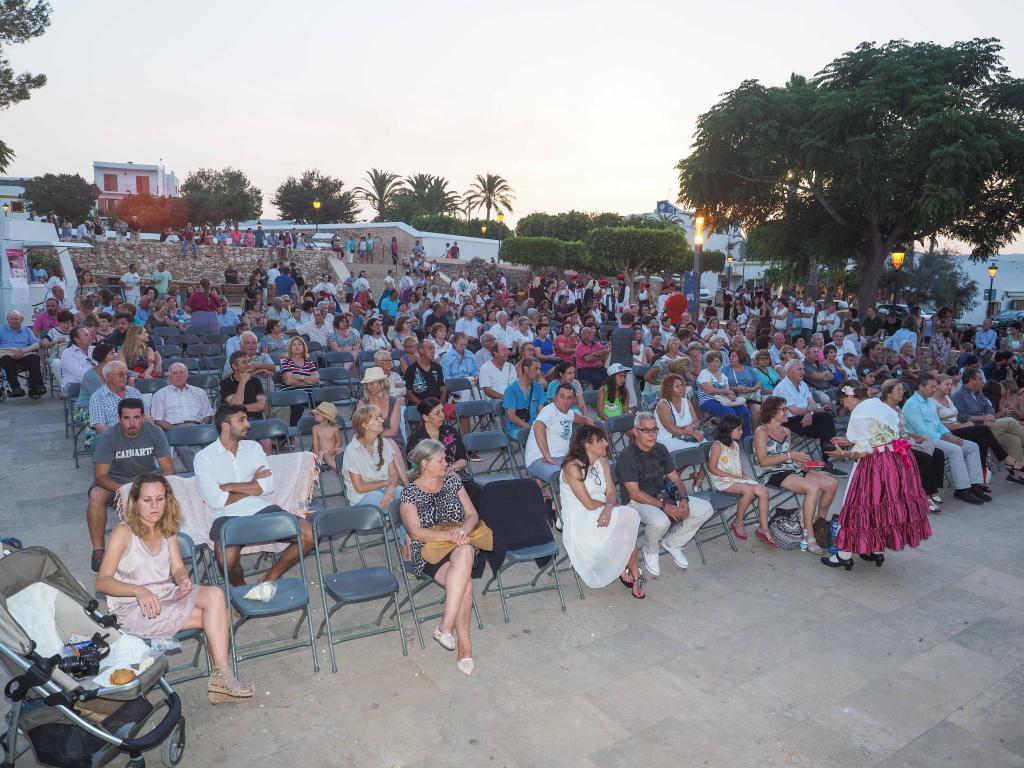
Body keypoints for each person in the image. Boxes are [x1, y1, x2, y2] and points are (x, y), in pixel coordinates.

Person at [96, 474, 254, 704]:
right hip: (134, 608)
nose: (154, 506)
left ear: (167, 500)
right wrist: (138, 590)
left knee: (216, 595)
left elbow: (177, 567)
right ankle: (222, 680)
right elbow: (102, 582)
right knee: (220, 617)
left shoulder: (166, 528)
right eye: (147, 500)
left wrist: (182, 579)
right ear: (135, 502)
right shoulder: (123, 533)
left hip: (166, 594)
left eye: (160, 499)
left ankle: (221, 678)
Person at [194, 404, 315, 587]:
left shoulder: (254, 448)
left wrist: (229, 487)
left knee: (308, 534)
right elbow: (215, 500)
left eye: (247, 419)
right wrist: (252, 485)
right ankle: (242, 591)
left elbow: (267, 486)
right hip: (226, 515)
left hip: (260, 508)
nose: (248, 424)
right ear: (225, 426)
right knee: (226, 558)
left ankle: (269, 579)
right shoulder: (204, 457)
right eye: (241, 420)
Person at [821, 383, 933, 571]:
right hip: (894, 461)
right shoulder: (880, 405)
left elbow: (863, 451)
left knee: (859, 505)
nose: (845, 406)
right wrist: (849, 441)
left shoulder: (859, 414)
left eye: (844, 402)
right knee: (881, 505)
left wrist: (842, 454)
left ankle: (844, 556)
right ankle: (875, 549)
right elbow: (879, 436)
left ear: (850, 397)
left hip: (875, 465)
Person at [399, 440, 479, 676]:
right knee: (464, 584)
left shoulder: (453, 481)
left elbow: (472, 514)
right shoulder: (410, 493)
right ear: (424, 463)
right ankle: (464, 645)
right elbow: (416, 532)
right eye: (441, 460)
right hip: (428, 551)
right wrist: (450, 536)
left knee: (465, 551)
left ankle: (446, 626)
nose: (447, 463)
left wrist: (463, 530)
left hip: (458, 544)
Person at [616, 412, 714, 575]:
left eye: (654, 429)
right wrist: (665, 507)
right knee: (661, 521)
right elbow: (634, 493)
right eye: (646, 430)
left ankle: (673, 543)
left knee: (705, 509)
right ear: (635, 432)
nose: (652, 434)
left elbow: (675, 478)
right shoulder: (627, 456)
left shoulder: (660, 449)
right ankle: (650, 550)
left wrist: (683, 498)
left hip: (663, 494)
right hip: (637, 502)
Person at [87, 398, 174, 572]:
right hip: (115, 482)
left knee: (174, 489)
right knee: (96, 495)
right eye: (127, 418)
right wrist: (126, 490)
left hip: (146, 480)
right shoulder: (108, 437)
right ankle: (98, 551)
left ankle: (167, 543)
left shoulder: (155, 432)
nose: (132, 423)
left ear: (143, 417)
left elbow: (168, 469)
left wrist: (148, 488)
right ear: (119, 419)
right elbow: (100, 476)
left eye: (136, 417)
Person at [559, 424, 643, 597]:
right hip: (581, 518)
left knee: (627, 525)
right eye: (601, 441)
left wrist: (608, 508)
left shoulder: (602, 462)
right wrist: (608, 508)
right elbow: (588, 504)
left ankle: (631, 569)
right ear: (587, 445)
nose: (606, 443)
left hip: (604, 510)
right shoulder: (572, 467)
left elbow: (611, 494)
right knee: (628, 520)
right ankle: (630, 570)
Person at [751, 396, 839, 551]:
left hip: (789, 468)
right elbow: (763, 461)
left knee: (832, 483)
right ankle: (809, 536)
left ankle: (819, 525)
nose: (787, 412)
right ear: (772, 412)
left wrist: (800, 463)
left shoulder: (786, 431)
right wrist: (790, 456)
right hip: (770, 472)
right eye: (783, 409)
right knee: (812, 489)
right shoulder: (761, 432)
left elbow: (788, 456)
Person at [903, 373, 988, 505]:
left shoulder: (930, 401)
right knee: (955, 450)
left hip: (939, 436)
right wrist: (946, 438)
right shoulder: (911, 404)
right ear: (921, 387)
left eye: (935, 386)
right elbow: (921, 430)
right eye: (931, 387)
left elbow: (938, 424)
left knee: (972, 447)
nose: (934, 389)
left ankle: (974, 485)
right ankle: (962, 489)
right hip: (924, 440)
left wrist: (950, 435)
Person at [772, 360, 847, 476]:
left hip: (807, 417)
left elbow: (812, 404)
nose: (803, 372)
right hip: (789, 421)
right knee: (825, 426)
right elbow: (795, 410)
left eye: (803, 369)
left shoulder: (803, 384)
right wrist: (809, 412)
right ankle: (830, 455)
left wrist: (809, 413)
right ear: (789, 371)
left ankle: (828, 458)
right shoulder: (781, 388)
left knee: (825, 419)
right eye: (799, 369)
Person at [707, 414, 770, 541]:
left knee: (763, 491)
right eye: (739, 429)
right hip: (721, 480)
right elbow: (712, 468)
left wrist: (743, 475)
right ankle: (738, 522)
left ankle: (764, 528)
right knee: (748, 490)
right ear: (729, 430)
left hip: (736, 478)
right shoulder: (717, 446)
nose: (742, 431)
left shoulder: (735, 445)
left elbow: (735, 463)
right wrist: (732, 476)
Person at [951, 368, 1024, 475]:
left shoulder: (978, 393)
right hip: (974, 430)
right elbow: (961, 416)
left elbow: (989, 408)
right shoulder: (959, 395)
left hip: (989, 427)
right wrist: (982, 418)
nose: (983, 381)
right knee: (1010, 421)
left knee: (1014, 439)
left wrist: (989, 416)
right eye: (980, 379)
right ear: (971, 381)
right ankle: (1011, 462)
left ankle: (1015, 473)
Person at [523, 382, 592, 486]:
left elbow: (586, 420)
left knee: (588, 473)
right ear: (555, 398)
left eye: (569, 398)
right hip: (539, 459)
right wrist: (547, 456)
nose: (565, 401)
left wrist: (593, 426)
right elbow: (538, 427)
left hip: (561, 459)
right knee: (565, 477)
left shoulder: (569, 413)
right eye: (562, 397)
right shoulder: (549, 410)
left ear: (574, 400)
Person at [150, 361, 215, 471]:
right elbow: (158, 420)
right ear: (169, 376)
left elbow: (207, 414)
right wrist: (176, 430)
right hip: (175, 429)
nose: (178, 375)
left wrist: (202, 426)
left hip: (198, 427)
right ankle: (196, 473)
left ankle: (216, 473)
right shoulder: (160, 394)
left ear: (187, 374)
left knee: (213, 445)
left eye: (181, 372)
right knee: (183, 448)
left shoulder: (199, 392)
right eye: (174, 373)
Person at [342, 405, 405, 507]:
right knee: (393, 506)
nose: (382, 420)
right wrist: (386, 483)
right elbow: (360, 488)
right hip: (362, 495)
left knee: (409, 497)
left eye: (380, 417)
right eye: (376, 419)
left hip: (386, 488)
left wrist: (391, 488)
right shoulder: (352, 451)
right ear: (365, 425)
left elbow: (393, 474)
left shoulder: (384, 443)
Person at [695, 350, 753, 438]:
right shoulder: (704, 373)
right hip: (707, 400)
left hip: (723, 400)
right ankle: (728, 438)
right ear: (707, 363)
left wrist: (731, 396)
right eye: (711, 361)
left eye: (716, 361)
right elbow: (709, 390)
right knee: (729, 412)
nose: (714, 363)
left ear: (721, 363)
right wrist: (726, 392)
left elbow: (727, 392)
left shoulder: (723, 376)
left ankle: (746, 437)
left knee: (744, 411)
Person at [356, 367, 406, 456]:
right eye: (366, 384)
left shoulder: (394, 402)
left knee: (388, 446)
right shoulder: (362, 403)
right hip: (370, 440)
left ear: (381, 383)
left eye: (371, 384)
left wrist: (375, 437)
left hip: (392, 440)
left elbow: (394, 430)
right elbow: (360, 428)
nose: (368, 387)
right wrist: (372, 439)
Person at [0, 310, 46, 398]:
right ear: (7, 320)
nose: (14, 321)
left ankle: (36, 386)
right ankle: (15, 388)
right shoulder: (1, 330)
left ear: (21, 320)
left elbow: (36, 344)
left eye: (16, 319)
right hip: (5, 353)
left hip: (23, 352)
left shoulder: (27, 330)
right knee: (6, 359)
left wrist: (23, 352)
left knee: (34, 357)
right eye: (11, 319)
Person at [89, 361, 145, 433]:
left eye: (126, 374)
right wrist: (119, 438)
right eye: (121, 374)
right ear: (109, 377)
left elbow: (146, 416)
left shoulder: (134, 392)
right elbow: (100, 427)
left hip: (139, 435)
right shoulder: (98, 397)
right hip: (113, 437)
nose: (125, 377)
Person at [655, 374, 703, 449]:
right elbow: (670, 428)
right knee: (693, 449)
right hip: (667, 440)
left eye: (681, 385)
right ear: (669, 389)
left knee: (706, 445)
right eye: (677, 386)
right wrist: (691, 432)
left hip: (687, 437)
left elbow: (696, 422)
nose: (681, 388)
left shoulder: (687, 402)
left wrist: (692, 427)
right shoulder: (663, 404)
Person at [503, 357, 545, 439]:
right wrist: (532, 429)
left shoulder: (538, 386)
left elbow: (542, 410)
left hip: (535, 427)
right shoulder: (511, 389)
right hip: (516, 429)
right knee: (536, 436)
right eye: (536, 369)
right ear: (526, 369)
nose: (539, 372)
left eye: (539, 369)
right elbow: (512, 417)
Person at [404, 339, 446, 407]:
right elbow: (408, 393)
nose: (433, 351)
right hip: (419, 406)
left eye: (434, 348)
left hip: (437, 405)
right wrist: (424, 406)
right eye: (430, 348)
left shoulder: (437, 367)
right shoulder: (411, 369)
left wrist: (440, 404)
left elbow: (443, 388)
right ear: (421, 350)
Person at [311, 401, 344, 472]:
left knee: (343, 454)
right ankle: (341, 472)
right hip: (323, 453)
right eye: (315, 413)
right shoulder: (315, 428)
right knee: (327, 457)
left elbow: (339, 441)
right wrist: (316, 458)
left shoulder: (334, 429)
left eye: (317, 414)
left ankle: (350, 471)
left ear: (325, 417)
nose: (314, 415)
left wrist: (333, 450)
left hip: (334, 450)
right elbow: (315, 444)